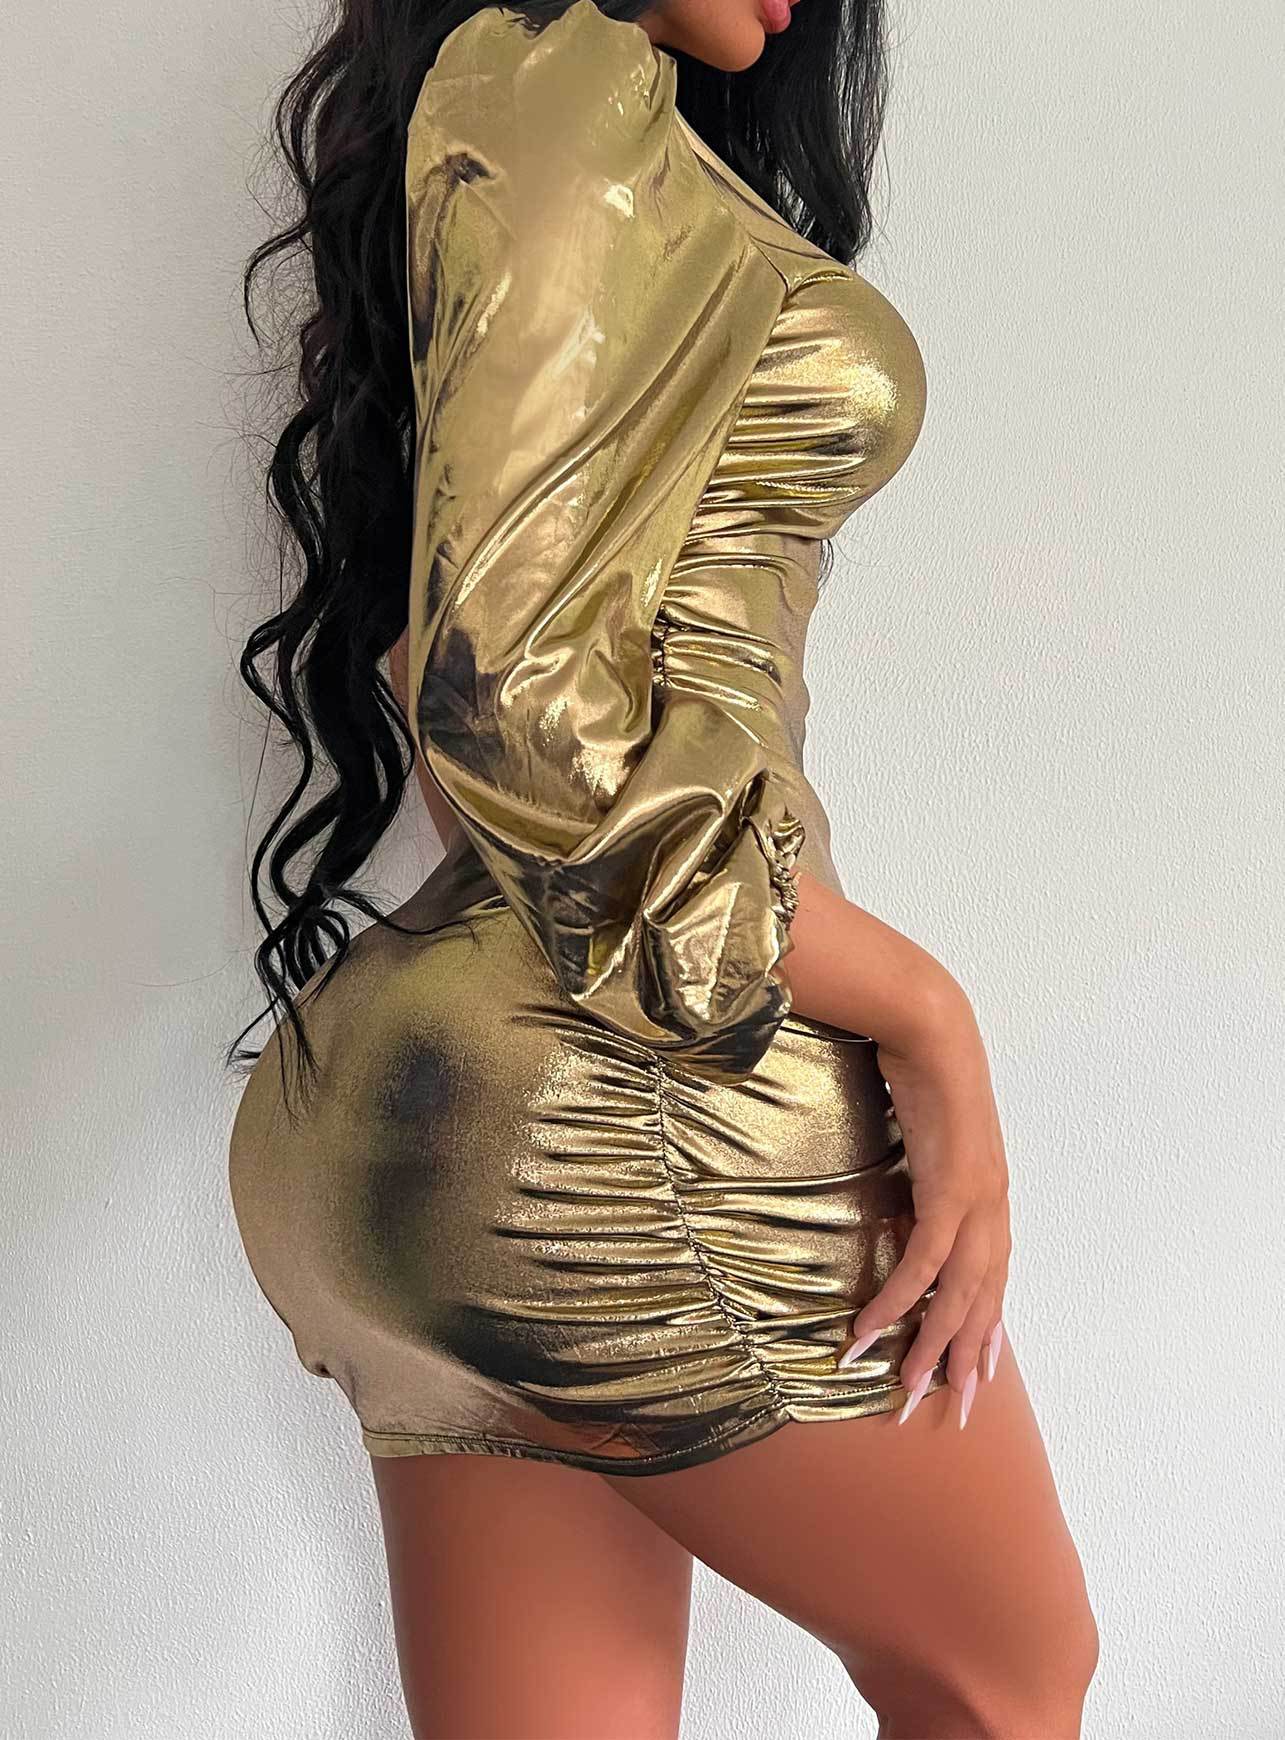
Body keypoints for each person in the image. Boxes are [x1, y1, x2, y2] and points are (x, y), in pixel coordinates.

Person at [227, 1, 1100, 1733]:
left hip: (421, 1119)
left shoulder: (534, 115)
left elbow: (450, 677)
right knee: (1004, 1676)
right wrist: (923, 1012)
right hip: (635, 1091)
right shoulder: (557, 77)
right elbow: (501, 696)